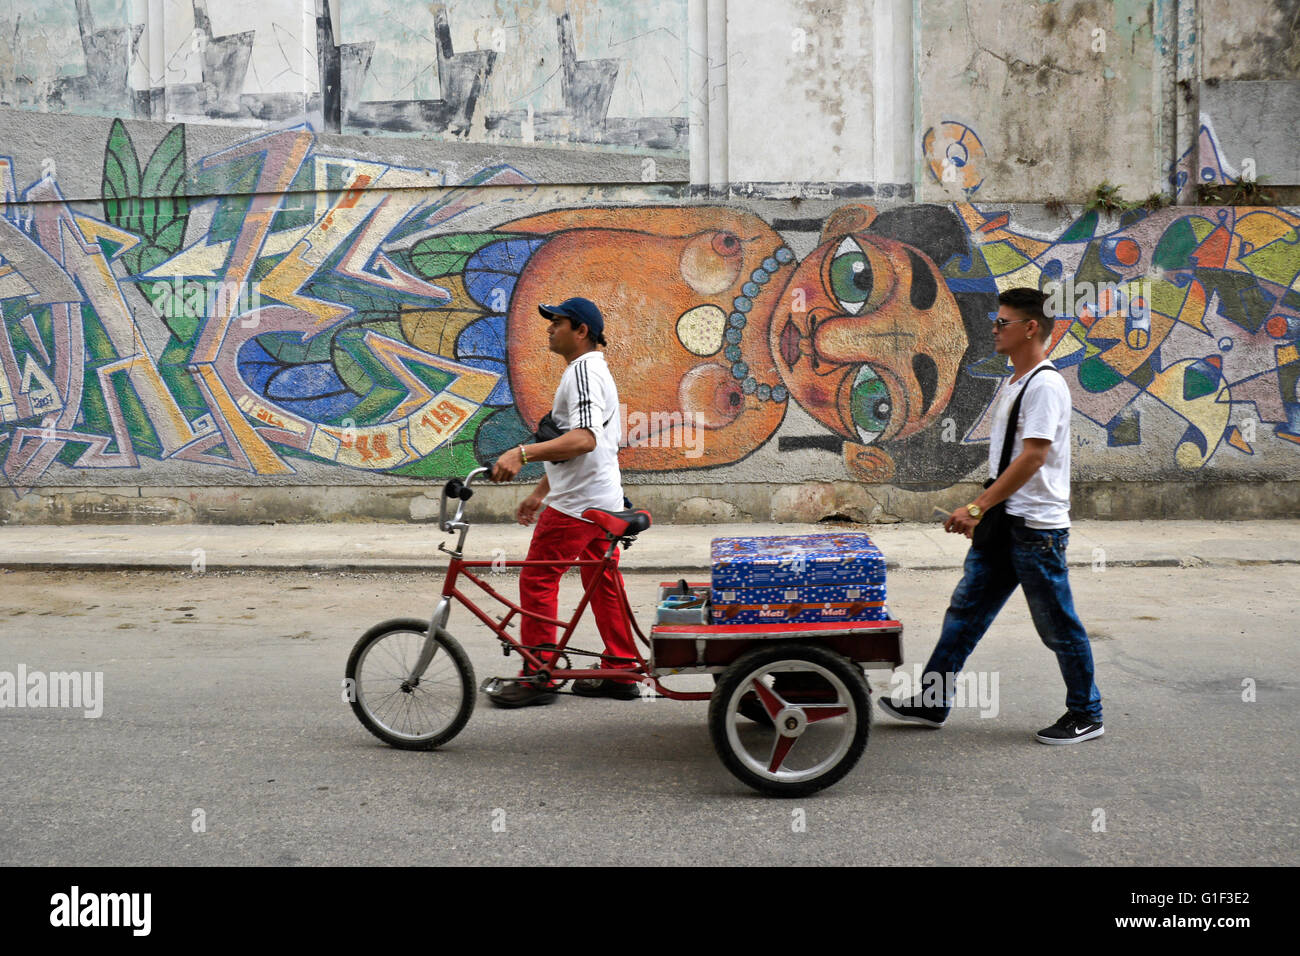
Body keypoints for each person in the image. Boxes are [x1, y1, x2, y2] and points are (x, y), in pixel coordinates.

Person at [877, 287, 1104, 743]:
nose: (994, 329)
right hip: (1006, 522)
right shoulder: (1018, 382)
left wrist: (979, 505)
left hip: (1036, 528)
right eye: (995, 321)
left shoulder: (1044, 385)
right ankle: (931, 701)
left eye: (1002, 322)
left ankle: (1086, 713)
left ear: (1030, 328)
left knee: (1057, 625)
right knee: (964, 613)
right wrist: (987, 512)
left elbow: (1033, 457)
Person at [485, 296, 641, 707]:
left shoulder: (585, 372)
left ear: (581, 331)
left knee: (537, 579)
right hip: (597, 499)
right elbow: (582, 447)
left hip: (577, 506)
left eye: (557, 322)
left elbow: (584, 439)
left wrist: (520, 454)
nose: (549, 329)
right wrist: (540, 492)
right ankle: (623, 668)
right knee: (602, 581)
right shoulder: (587, 371)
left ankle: (538, 674)